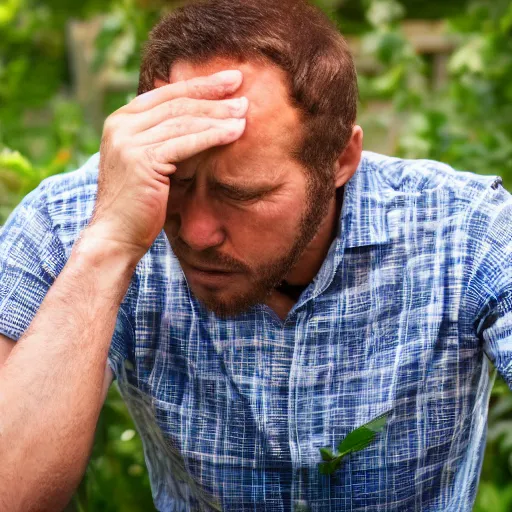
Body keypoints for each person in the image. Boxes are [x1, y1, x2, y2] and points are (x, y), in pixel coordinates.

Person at [0, 0, 511, 510]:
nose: (198, 233)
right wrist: (108, 247)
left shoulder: (466, 231)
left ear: (340, 160)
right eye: (176, 182)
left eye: (243, 195)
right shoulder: (74, 221)